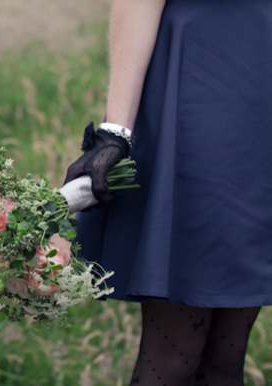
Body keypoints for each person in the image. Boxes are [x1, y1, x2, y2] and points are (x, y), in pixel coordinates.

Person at [63, 0, 272, 385]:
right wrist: (116, 133)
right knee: (177, 353)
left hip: (258, 90)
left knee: (227, 353)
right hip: (203, 83)